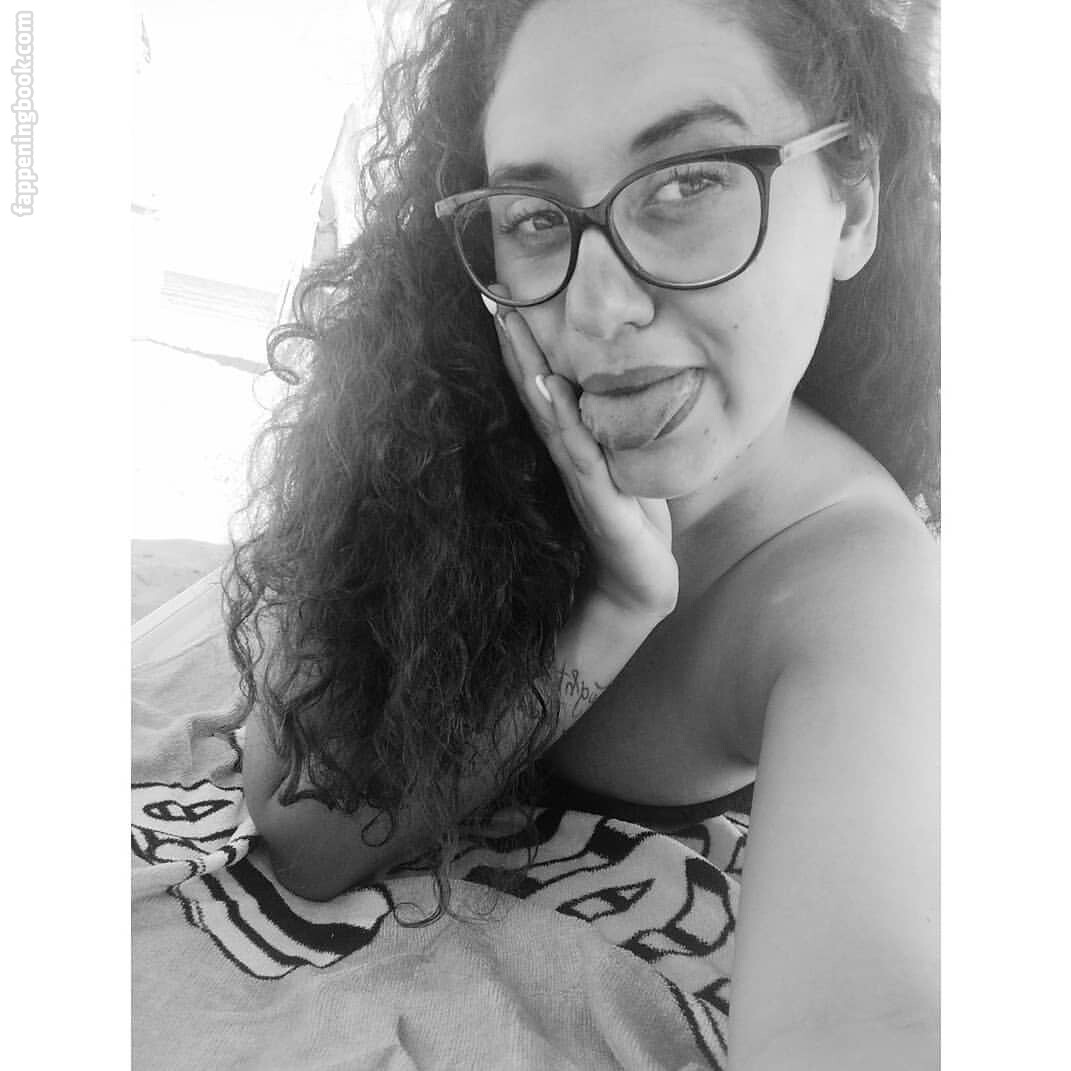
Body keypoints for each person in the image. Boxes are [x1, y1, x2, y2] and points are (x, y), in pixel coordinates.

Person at [229, 0, 939, 1065]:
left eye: (689, 182)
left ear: (854, 206)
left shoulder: (863, 593)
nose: (599, 309)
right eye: (533, 216)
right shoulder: (449, 421)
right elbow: (297, 833)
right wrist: (612, 611)